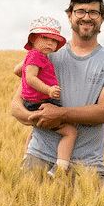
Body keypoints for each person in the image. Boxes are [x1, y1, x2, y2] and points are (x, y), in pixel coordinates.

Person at [10, 0, 104, 180]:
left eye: (93, 12)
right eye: (80, 11)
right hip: (38, 158)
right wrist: (34, 117)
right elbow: (16, 105)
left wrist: (59, 114)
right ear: (69, 16)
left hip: (88, 165)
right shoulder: (47, 55)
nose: (87, 17)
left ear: (102, 18)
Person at [16, 16, 79, 175]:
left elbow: (20, 72)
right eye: (45, 38)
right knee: (70, 132)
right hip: (40, 102)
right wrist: (48, 90)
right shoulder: (35, 56)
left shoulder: (38, 57)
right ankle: (60, 168)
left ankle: (26, 158)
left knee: (35, 131)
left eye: (54, 40)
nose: (50, 43)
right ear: (33, 39)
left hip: (36, 101)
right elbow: (30, 78)